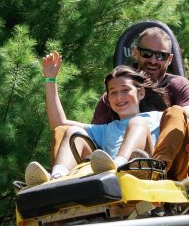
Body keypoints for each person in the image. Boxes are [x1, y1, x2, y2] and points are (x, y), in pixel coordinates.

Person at [51, 26, 189, 180]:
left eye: (160, 56)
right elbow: (63, 126)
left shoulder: (170, 96)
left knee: (172, 113)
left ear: (169, 59)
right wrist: (50, 80)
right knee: (65, 131)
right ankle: (58, 178)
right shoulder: (111, 108)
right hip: (115, 165)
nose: (153, 60)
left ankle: (154, 169)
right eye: (146, 53)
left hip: (165, 164)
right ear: (136, 53)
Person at [24, 52, 170, 188]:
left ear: (141, 93)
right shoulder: (106, 129)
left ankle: (119, 165)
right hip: (112, 178)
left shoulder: (158, 117)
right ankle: (57, 177)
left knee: (137, 122)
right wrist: (50, 79)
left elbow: (185, 128)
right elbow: (58, 124)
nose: (119, 97)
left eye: (125, 90)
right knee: (73, 132)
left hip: (145, 172)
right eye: (113, 92)